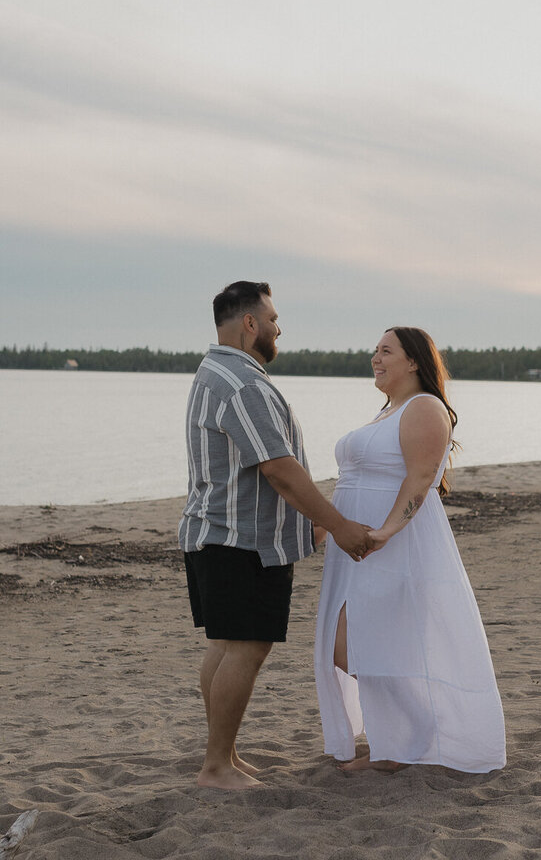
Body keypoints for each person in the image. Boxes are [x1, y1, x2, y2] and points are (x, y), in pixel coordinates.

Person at [178, 281, 372, 790]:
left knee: (226, 646)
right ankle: (216, 766)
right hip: (242, 540)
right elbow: (280, 470)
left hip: (215, 534)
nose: (278, 328)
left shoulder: (214, 371)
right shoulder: (242, 383)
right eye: (273, 318)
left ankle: (224, 755)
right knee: (246, 648)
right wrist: (338, 524)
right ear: (250, 323)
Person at [314, 327, 506, 773]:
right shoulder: (388, 412)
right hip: (354, 545)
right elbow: (351, 483)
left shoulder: (424, 407)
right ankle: (406, 737)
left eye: (386, 352)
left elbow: (420, 479)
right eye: (374, 352)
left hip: (393, 546)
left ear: (414, 362)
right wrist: (321, 527)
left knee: (354, 642)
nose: (375, 359)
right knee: (351, 642)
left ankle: (409, 737)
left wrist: (386, 532)